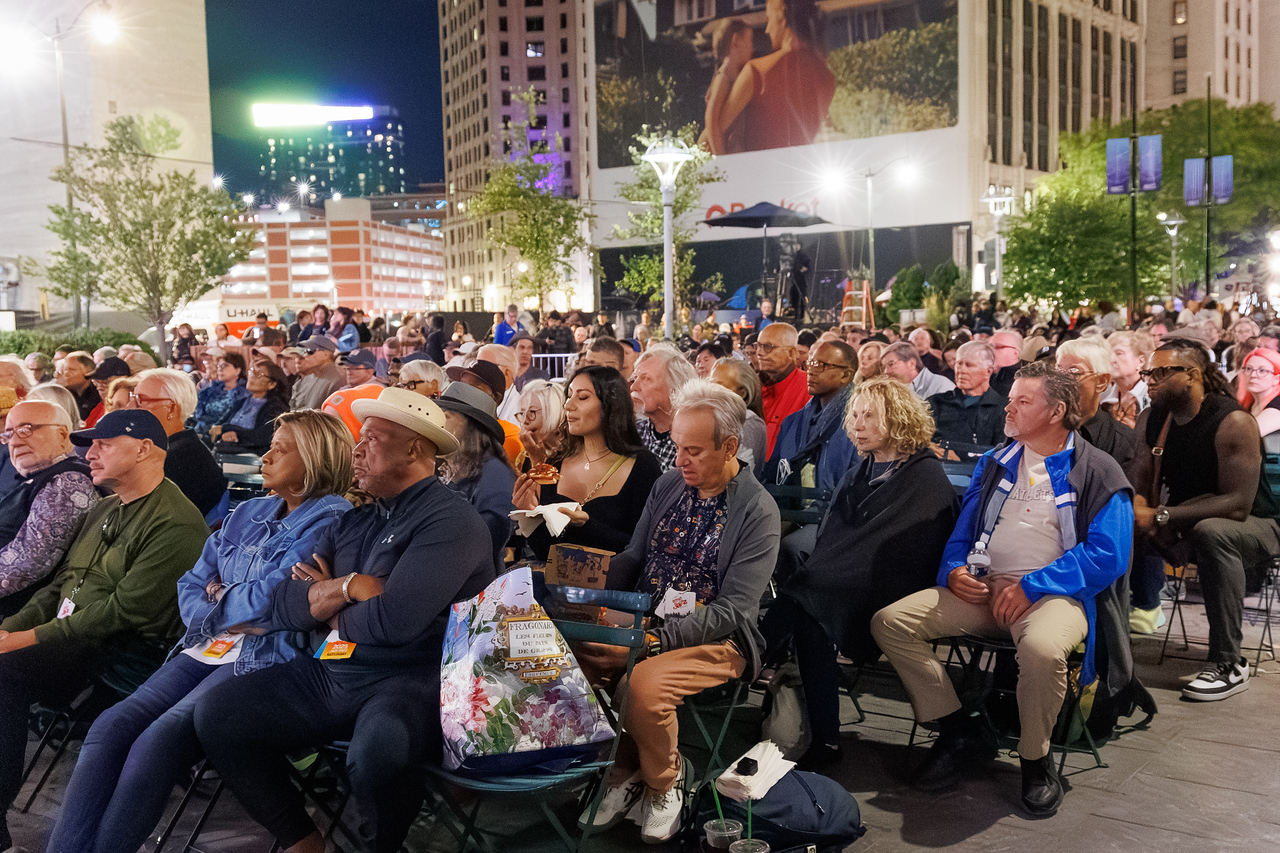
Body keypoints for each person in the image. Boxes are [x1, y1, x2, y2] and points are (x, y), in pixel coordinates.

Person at [193, 387, 495, 853]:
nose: (356, 450)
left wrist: (328, 603)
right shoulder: (359, 517)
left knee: (378, 752)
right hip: (334, 669)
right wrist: (351, 587)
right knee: (218, 714)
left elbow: (396, 622)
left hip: (414, 676)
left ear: (414, 449)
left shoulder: (451, 521)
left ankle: (382, 848)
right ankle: (302, 840)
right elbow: (287, 606)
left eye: (371, 439)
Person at [45, 411, 353, 853]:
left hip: (265, 657)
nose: (263, 457)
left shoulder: (331, 521)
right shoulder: (250, 509)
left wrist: (222, 597)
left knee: (155, 743)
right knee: (109, 727)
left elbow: (279, 605)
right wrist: (230, 605)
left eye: (279, 450)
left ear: (315, 461)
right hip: (208, 646)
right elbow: (190, 583)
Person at [871, 361, 1133, 817]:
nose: (1007, 407)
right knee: (890, 623)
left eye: (1022, 401)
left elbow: (1109, 556)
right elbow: (965, 528)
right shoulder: (997, 461)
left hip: (1056, 596)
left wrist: (1034, 585)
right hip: (986, 589)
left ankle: (1035, 761)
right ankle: (959, 732)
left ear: (1056, 412)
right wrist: (953, 570)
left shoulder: (1098, 470)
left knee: (1043, 650)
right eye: (1010, 398)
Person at [580, 380, 780, 843]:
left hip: (719, 639)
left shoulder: (757, 511)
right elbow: (632, 559)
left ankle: (663, 781)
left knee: (641, 684)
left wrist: (653, 639)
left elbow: (734, 609)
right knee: (571, 653)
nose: (680, 461)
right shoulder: (669, 484)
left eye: (693, 450)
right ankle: (627, 765)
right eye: (676, 447)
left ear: (730, 447)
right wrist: (584, 592)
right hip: (647, 617)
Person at [0, 409, 209, 850]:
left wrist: (23, 639)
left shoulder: (176, 522)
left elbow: (122, 612)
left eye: (102, 443)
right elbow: (60, 584)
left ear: (143, 449)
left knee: (4, 677)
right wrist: (11, 627)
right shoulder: (108, 506)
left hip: (124, 654)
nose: (88, 453)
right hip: (78, 639)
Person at [762, 378, 958, 769]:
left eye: (870, 416)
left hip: (895, 581)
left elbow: (912, 549)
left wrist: (835, 570)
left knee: (807, 594)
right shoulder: (861, 470)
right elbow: (838, 538)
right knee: (808, 601)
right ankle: (825, 736)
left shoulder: (924, 476)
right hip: (846, 579)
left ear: (899, 420)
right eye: (854, 415)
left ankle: (748, 657)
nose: (857, 424)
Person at [1130, 339, 1280, 698]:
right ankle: (1100, 644)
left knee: (1213, 531)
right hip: (1184, 519)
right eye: (1147, 372)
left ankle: (1228, 663)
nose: (1150, 380)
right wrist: (1138, 512)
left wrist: (1162, 516)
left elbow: (1238, 504)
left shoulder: (1233, 421)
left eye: (1161, 372)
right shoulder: (1152, 419)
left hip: (1257, 525)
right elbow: (1142, 480)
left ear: (1192, 376)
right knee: (1110, 524)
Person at [512, 366, 662, 561]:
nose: (568, 406)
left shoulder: (642, 466)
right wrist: (528, 519)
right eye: (569, 395)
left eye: (582, 398)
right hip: (559, 589)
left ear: (610, 405)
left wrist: (587, 526)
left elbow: (644, 548)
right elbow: (547, 554)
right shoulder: (555, 464)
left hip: (618, 589)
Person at [0, 401, 100, 618]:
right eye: (8, 435)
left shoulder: (68, 481)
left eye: (26, 430)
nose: (14, 442)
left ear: (63, 435)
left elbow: (29, 562)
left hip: (19, 617)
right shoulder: (44, 477)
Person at [714, 0, 834, 154]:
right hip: (800, 172)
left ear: (781, 16)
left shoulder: (757, 71)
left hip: (757, 173)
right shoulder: (827, 79)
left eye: (769, 18)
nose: (767, 30)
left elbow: (716, 130)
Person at [435, 381, 517, 570]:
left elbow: (490, 537)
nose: (437, 422)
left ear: (470, 426)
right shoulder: (445, 466)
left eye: (446, 416)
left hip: (475, 580)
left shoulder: (495, 473)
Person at [128, 369, 229, 518]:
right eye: (132, 397)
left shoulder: (180, 458)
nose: (130, 406)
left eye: (141, 400)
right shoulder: (175, 447)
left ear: (171, 408)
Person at [765, 340, 858, 495]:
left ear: (846, 375)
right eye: (811, 363)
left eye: (821, 365)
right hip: (792, 512)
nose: (811, 371)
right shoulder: (792, 423)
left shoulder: (859, 425)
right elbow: (773, 475)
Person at [1057, 338, 1137, 473]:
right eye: (1058, 370)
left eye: (1074, 371)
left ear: (1101, 381)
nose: (1061, 380)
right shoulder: (1037, 428)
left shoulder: (1122, 440)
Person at [929, 341, 1007, 450]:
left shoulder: (1003, 409)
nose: (961, 370)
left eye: (969, 365)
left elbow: (1001, 452)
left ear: (988, 371)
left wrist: (954, 451)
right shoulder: (936, 402)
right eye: (959, 364)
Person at [631, 344, 698, 470]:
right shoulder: (632, 433)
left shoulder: (694, 440)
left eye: (646, 379)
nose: (633, 387)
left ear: (675, 387)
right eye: (635, 378)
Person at [756, 322, 811, 458]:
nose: (759, 353)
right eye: (758, 346)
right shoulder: (750, 386)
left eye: (768, 347)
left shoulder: (809, 387)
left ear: (792, 352)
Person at [214, 360, 293, 455]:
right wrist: (223, 433)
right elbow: (218, 426)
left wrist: (232, 432)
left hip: (252, 455)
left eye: (258, 374)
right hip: (229, 449)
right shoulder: (241, 401)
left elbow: (263, 437)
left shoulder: (276, 407)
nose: (251, 376)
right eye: (251, 371)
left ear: (271, 384)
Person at [708, 357, 767, 476]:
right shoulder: (712, 418)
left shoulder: (749, 423)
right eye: (710, 384)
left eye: (719, 386)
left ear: (742, 393)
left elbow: (737, 477)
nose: (711, 391)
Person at [192, 352, 250, 439]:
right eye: (218, 366)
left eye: (224, 366)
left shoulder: (243, 394)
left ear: (237, 370)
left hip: (222, 435)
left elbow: (232, 420)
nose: (219, 369)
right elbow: (198, 409)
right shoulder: (212, 389)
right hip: (198, 431)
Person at [514, 378, 568, 468]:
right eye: (522, 413)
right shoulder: (524, 456)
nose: (524, 421)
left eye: (531, 412)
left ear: (555, 413)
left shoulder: (572, 458)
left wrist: (537, 461)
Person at [1104, 330, 1153, 428]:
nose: (1111, 360)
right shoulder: (1103, 397)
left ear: (1140, 361)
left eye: (1119, 353)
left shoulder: (1151, 396)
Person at [881, 341, 956, 400]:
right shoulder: (894, 390)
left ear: (911, 363)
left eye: (891, 364)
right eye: (884, 367)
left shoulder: (940, 386)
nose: (886, 371)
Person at [289, 337, 344, 411]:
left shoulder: (337, 380)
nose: (305, 355)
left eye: (310, 351)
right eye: (305, 351)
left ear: (325, 355)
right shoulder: (308, 377)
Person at [1237, 347, 1280, 438]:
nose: (1253, 375)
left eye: (1262, 370)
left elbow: (1243, 437)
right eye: (1249, 369)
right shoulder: (1249, 403)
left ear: (1277, 379)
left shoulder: (1277, 407)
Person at [477, 343, 522, 421]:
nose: (478, 371)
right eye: (477, 365)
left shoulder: (518, 407)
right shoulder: (480, 398)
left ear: (507, 373)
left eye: (485, 366)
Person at [83, 357, 133, 427]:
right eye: (96, 382)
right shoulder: (99, 407)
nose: (99, 386)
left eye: (105, 382)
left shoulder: (127, 408)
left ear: (123, 382)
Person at [56, 351, 101, 423]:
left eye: (72, 370)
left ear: (88, 372)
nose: (66, 373)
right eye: (65, 369)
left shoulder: (99, 395)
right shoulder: (62, 393)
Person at [989, 329, 1025, 397]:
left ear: (1015, 353)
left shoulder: (1025, 381)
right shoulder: (986, 373)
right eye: (989, 346)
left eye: (997, 346)